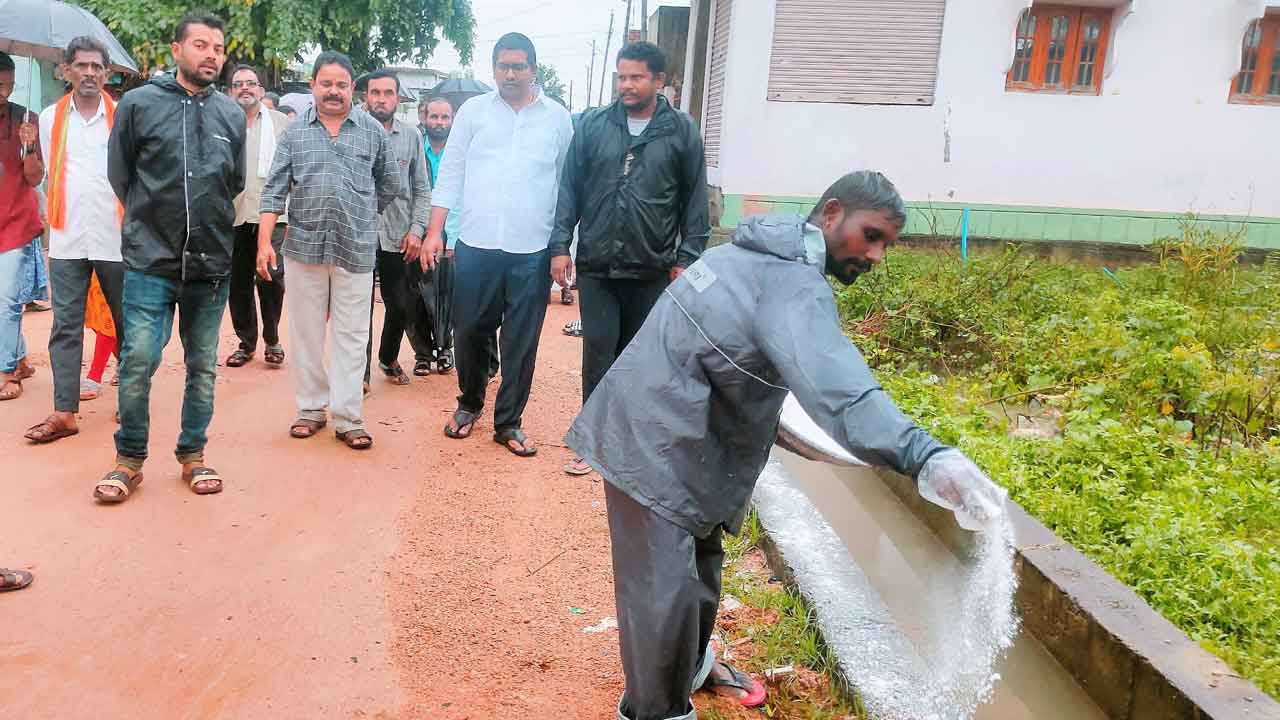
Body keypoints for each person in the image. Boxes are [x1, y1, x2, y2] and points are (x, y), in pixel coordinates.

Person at [565, 172, 1009, 720]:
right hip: (652, 440)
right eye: (870, 235)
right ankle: (657, 710)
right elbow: (839, 388)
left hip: (686, 435)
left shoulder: (760, 252)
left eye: (886, 246)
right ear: (831, 213)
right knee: (663, 595)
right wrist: (924, 455)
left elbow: (749, 364)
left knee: (700, 564)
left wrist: (843, 450)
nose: (875, 256)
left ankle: (691, 668)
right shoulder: (793, 281)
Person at [94, 10, 246, 503]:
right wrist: (147, 222)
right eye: (201, 45)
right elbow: (121, 174)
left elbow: (233, 183)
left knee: (202, 365)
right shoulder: (138, 105)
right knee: (138, 360)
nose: (212, 56)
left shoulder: (229, 114)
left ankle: (193, 455)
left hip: (210, 263)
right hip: (149, 260)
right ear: (176, 50)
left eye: (218, 48)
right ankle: (129, 460)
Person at [551, 42, 710, 476]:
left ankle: (633, 445)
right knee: (599, 353)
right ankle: (593, 443)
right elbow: (570, 190)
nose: (626, 84)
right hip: (597, 264)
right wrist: (561, 245)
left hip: (652, 267)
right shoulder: (594, 126)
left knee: (642, 358)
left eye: (636, 77)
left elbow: (695, 205)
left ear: (659, 81)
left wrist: (686, 259)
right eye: (621, 76)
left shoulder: (680, 131)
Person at [421, 32, 573, 457]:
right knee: (468, 329)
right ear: (493, 69)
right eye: (503, 66)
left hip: (533, 249)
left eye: (518, 66)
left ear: (533, 69)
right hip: (476, 243)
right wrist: (435, 231)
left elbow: (566, 186)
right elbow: (450, 172)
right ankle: (469, 403)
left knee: (521, 341)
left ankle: (509, 422)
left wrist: (564, 248)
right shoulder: (473, 113)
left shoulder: (558, 119)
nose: (510, 73)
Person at [258, 51, 399, 451]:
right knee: (305, 332)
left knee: (352, 335)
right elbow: (273, 190)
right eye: (326, 83)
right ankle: (310, 409)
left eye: (341, 85)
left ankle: (348, 417)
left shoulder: (371, 131)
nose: (334, 91)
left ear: (351, 89)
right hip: (303, 247)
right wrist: (265, 241)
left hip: (355, 248)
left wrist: (360, 212)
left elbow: (389, 185)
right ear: (313, 86)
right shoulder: (294, 133)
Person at [24, 37, 126, 443]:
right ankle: (64, 411)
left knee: (127, 325)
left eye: (96, 66)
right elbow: (36, 177)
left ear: (106, 72)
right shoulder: (49, 118)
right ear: (65, 70)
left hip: (116, 238)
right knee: (65, 327)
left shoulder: (124, 116)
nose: (88, 73)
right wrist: (28, 145)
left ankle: (132, 400)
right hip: (67, 239)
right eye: (80, 65)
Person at [360, 69, 431, 384]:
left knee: (401, 305)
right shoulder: (352, 132)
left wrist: (417, 229)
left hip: (399, 236)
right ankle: (358, 375)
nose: (381, 99)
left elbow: (421, 188)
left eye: (388, 93)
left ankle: (388, 357)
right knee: (358, 310)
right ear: (366, 97)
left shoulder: (411, 136)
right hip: (358, 234)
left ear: (398, 98)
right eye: (375, 93)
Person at [225, 64, 288, 369]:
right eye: (239, 84)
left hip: (273, 214)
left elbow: (294, 170)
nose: (245, 88)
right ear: (230, 91)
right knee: (237, 284)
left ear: (261, 91)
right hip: (233, 214)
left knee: (271, 277)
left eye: (251, 83)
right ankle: (246, 342)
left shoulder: (281, 124)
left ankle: (273, 339)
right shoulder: (223, 124)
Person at [0, 50, 47, 403]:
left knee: (7, 302)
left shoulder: (24, 119)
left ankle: (6, 372)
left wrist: (29, 147)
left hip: (16, 221)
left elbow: (34, 179)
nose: (5, 91)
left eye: (9, 85)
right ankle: (21, 359)